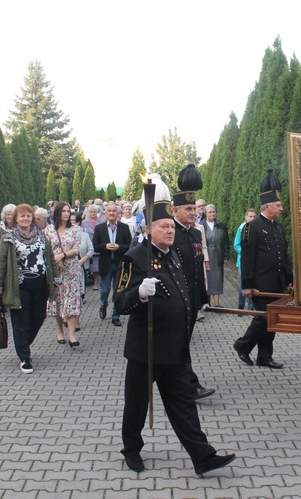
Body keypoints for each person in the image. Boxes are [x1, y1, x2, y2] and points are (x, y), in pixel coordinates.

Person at [114, 199, 235, 475]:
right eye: (163, 226)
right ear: (149, 229)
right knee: (136, 406)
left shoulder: (174, 255)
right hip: (145, 350)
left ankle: (203, 457)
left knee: (184, 406)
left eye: (171, 226)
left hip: (176, 349)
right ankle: (131, 449)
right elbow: (120, 303)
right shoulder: (134, 258)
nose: (170, 231)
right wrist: (139, 294)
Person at [233, 169, 292, 369]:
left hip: (276, 283)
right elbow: (247, 258)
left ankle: (265, 357)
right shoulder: (252, 227)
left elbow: (283, 257)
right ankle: (242, 345)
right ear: (267, 206)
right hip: (259, 284)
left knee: (272, 321)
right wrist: (247, 285)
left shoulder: (279, 227)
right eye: (278, 205)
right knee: (262, 319)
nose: (281, 208)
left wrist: (290, 279)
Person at [0, 203, 60, 374]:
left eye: (28, 215)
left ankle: (22, 344)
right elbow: (1, 262)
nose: (25, 218)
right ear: (15, 219)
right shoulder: (9, 238)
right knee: (21, 322)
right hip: (18, 287)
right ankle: (24, 357)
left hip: (40, 285)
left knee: (39, 318)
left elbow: (50, 258)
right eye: (21, 216)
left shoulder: (41, 236)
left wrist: (56, 277)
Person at [171, 164, 216, 400]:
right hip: (177, 302)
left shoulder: (195, 233)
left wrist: (202, 298)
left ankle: (175, 380)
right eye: (188, 208)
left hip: (192, 300)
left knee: (180, 345)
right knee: (179, 346)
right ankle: (190, 386)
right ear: (175, 210)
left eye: (194, 208)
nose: (193, 212)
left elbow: (198, 269)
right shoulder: (170, 234)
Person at [45, 202, 85, 348]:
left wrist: (62, 255)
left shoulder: (75, 229)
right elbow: (46, 249)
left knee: (72, 301)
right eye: (63, 211)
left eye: (68, 211)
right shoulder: (49, 230)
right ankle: (60, 331)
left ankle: (72, 335)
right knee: (59, 301)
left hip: (71, 270)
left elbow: (77, 248)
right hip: (56, 270)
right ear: (57, 213)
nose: (67, 214)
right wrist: (55, 258)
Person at [93, 202, 131, 326]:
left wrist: (119, 247)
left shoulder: (124, 228)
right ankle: (103, 305)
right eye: (109, 211)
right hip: (105, 264)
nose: (111, 213)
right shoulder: (100, 228)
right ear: (105, 213)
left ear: (118, 213)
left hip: (119, 264)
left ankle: (116, 315)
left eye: (114, 211)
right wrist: (105, 246)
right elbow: (95, 246)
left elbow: (129, 245)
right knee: (105, 290)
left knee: (117, 290)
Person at [203, 204, 229, 307]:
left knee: (217, 279)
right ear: (206, 213)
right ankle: (206, 303)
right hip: (206, 257)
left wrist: (226, 255)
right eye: (210, 212)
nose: (212, 214)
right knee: (207, 280)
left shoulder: (220, 225)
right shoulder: (202, 226)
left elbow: (226, 241)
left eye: (214, 212)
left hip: (218, 256)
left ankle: (217, 304)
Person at [234, 208, 256, 310]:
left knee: (253, 284)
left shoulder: (256, 228)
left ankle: (251, 306)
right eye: (250, 216)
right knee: (243, 284)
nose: (252, 218)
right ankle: (241, 305)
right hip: (242, 262)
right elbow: (236, 245)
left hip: (254, 262)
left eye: (254, 217)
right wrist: (246, 253)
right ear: (245, 217)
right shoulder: (241, 228)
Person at [81, 205, 101, 290]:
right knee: (87, 266)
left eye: (94, 212)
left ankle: (95, 283)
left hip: (97, 245)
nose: (93, 213)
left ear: (97, 212)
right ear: (88, 213)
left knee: (96, 267)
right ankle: (85, 282)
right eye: (91, 212)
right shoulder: (84, 222)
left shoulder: (101, 221)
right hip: (87, 246)